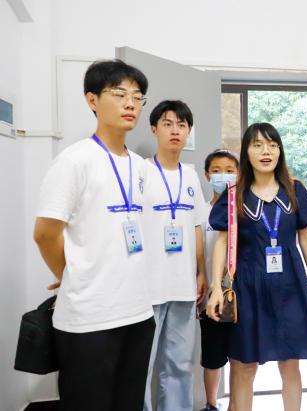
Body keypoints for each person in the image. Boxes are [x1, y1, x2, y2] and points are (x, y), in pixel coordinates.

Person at [33, 59, 155, 411]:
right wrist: (71, 274)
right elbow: (45, 234)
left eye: (137, 96)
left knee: (128, 403)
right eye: (119, 94)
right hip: (88, 318)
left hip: (137, 313)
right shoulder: (74, 161)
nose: (130, 103)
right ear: (92, 100)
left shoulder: (140, 166)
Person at [206, 122, 307, 411]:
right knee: (245, 365)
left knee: (290, 363)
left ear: (280, 151)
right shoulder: (235, 194)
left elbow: (305, 235)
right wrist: (217, 287)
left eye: (272, 145)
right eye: (257, 145)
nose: (265, 151)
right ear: (247, 152)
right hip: (248, 286)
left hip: (290, 284)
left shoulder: (295, 189)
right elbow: (222, 241)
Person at [140, 100, 208, 411]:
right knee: (141, 366)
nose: (175, 131)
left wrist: (201, 272)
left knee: (180, 366)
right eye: (167, 124)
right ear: (154, 129)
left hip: (183, 287)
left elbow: (196, 226)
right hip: (147, 288)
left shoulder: (190, 176)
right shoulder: (140, 172)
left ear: (189, 132)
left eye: (182, 125)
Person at [199, 148, 239, 411]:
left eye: (229, 171)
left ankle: (237, 403)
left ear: (239, 174)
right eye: (216, 171)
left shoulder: (243, 210)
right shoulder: (201, 212)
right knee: (212, 356)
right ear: (207, 175)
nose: (223, 176)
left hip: (239, 294)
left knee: (239, 356)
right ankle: (211, 404)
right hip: (210, 295)